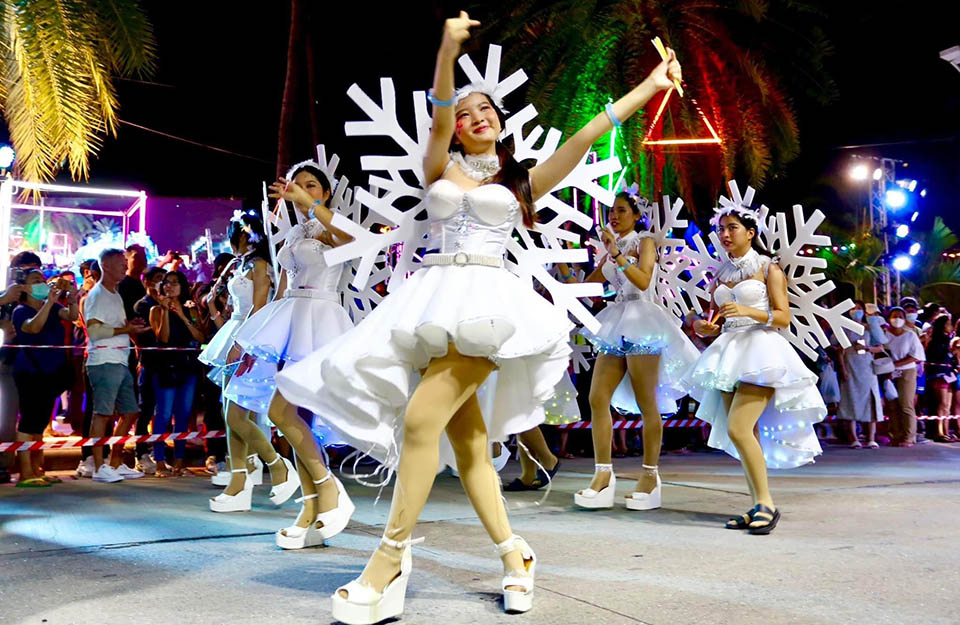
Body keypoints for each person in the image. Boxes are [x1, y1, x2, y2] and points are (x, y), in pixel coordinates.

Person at [276, 12, 683, 622]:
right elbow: (440, 110)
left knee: (420, 421)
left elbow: (588, 134)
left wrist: (650, 87)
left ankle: (389, 561)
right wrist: (446, 49)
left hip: (488, 305)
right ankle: (515, 554)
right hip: (432, 300)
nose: (475, 116)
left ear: (501, 121)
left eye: (485, 109)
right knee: (468, 449)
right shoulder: (439, 167)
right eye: (466, 113)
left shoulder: (523, 181)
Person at [229, 157, 356, 547]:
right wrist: (253, 343)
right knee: (293, 418)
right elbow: (282, 290)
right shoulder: (296, 232)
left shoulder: (332, 225)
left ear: (326, 193)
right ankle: (312, 506)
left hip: (321, 322)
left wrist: (311, 205)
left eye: (311, 185)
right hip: (291, 320)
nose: (300, 191)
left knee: (282, 411)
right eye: (295, 186)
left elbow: (351, 241)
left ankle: (328, 487)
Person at [685, 192, 827, 535]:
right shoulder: (721, 273)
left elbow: (783, 317)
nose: (725, 234)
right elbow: (713, 317)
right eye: (721, 228)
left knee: (738, 428)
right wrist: (703, 326)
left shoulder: (768, 267)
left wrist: (749, 311)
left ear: (751, 232)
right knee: (743, 434)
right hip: (727, 352)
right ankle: (757, 504)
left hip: (761, 351)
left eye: (732, 227)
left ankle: (767, 505)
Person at [561, 190, 699, 510]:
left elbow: (643, 280)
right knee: (597, 398)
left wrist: (617, 255)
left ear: (637, 215)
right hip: (616, 321)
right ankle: (602, 475)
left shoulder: (644, 242)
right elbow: (590, 287)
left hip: (643, 320)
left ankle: (650, 477)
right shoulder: (614, 247)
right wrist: (566, 261)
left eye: (622, 210)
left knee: (647, 402)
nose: (614, 215)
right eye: (612, 210)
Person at [198, 212, 295, 511]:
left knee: (237, 415)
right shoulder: (241, 264)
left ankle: (277, 466)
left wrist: (243, 344)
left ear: (243, 235)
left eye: (234, 234)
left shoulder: (261, 264)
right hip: (234, 332)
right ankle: (240, 479)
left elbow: (260, 307)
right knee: (231, 414)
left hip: (250, 338)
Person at [83, 248, 151, 482]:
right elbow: (94, 331)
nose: (125, 266)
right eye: (121, 263)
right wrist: (126, 328)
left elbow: (115, 326)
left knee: (130, 411)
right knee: (102, 413)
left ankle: (115, 462)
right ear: (106, 266)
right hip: (104, 360)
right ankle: (98, 466)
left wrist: (131, 326)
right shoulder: (97, 295)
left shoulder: (115, 294)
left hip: (120, 359)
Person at [10, 270, 79, 486]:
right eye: (35, 281)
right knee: (28, 422)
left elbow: (72, 316)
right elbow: (33, 327)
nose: (41, 283)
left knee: (39, 424)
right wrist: (49, 302)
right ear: (24, 287)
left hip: (51, 371)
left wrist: (73, 298)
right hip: (30, 371)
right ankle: (25, 472)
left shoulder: (53, 307)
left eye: (42, 280)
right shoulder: (20, 311)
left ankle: (38, 469)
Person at [149, 270, 205, 475]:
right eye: (166, 282)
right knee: (163, 414)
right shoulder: (155, 310)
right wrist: (165, 311)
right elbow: (163, 338)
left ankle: (180, 461)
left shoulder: (191, 309)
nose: (169, 286)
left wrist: (182, 314)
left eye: (174, 283)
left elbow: (200, 337)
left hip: (187, 367)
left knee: (183, 414)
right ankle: (159, 461)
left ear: (183, 286)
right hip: (165, 367)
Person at [836, 301, 884, 448]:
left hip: (867, 368)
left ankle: (871, 438)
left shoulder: (869, 328)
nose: (856, 311)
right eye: (853, 308)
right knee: (851, 400)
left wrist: (867, 348)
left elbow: (880, 347)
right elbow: (840, 351)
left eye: (858, 308)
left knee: (870, 400)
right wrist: (843, 369)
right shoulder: (844, 328)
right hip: (850, 366)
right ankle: (854, 438)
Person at [132, 266, 166, 474]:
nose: (162, 283)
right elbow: (143, 333)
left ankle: (159, 452)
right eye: (158, 279)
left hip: (168, 363)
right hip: (149, 362)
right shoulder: (142, 306)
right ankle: (140, 452)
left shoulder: (168, 304)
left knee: (163, 411)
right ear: (146, 282)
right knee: (145, 409)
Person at [885, 307, 925, 447]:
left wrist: (896, 364)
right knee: (892, 405)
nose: (897, 319)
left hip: (907, 372)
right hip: (889, 373)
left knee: (905, 404)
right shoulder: (884, 335)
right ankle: (895, 435)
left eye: (900, 316)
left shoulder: (910, 335)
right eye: (894, 316)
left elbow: (916, 356)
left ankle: (909, 437)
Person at [924, 314, 957, 442]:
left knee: (947, 405)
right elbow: (935, 357)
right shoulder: (936, 342)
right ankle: (939, 432)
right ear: (942, 325)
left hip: (949, 375)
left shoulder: (948, 340)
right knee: (942, 404)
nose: (951, 326)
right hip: (939, 376)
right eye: (948, 324)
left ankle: (946, 432)